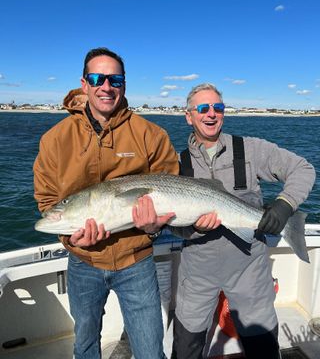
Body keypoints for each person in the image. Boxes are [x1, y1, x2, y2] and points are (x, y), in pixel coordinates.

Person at [33, 47, 179, 359]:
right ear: (84, 84)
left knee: (151, 350)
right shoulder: (55, 139)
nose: (106, 86)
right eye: (98, 78)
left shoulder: (150, 134)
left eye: (115, 79)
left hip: (136, 260)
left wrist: (155, 227)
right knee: (84, 344)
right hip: (83, 261)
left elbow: (172, 186)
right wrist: (69, 236)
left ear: (124, 85)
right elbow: (48, 201)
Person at [169, 83, 316, 359]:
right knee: (186, 348)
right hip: (197, 273)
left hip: (249, 269)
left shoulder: (250, 149)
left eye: (218, 108)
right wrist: (192, 226)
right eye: (202, 108)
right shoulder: (176, 164)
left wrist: (284, 206)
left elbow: (303, 169)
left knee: (263, 350)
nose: (211, 114)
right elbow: (170, 223)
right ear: (189, 116)